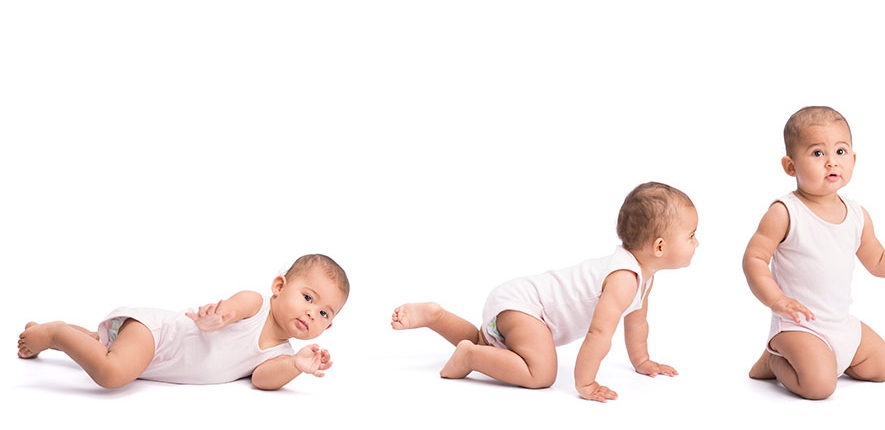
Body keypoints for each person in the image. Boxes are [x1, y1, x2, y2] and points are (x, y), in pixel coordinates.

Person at [391, 181, 698, 403]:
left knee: (490, 343)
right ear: (659, 246)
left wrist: (642, 361)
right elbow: (599, 333)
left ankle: (437, 317)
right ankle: (470, 357)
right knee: (541, 374)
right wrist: (586, 383)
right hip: (526, 308)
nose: (696, 244)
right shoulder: (623, 278)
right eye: (691, 236)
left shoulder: (642, 277)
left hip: (517, 304)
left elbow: (637, 323)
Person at [743, 106, 885, 400]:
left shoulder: (856, 214)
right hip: (798, 325)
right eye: (817, 153)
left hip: (840, 323)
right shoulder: (785, 212)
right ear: (791, 166)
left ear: (853, 159)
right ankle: (776, 359)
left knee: (882, 367)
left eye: (840, 152)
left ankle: (825, 359)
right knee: (819, 387)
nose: (831, 163)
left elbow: (879, 261)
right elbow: (754, 259)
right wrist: (777, 301)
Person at [17, 254, 350, 390]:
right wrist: (215, 320)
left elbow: (262, 380)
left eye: (324, 313)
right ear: (279, 287)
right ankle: (56, 333)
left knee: (101, 344)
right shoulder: (257, 303)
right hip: (158, 337)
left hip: (152, 360)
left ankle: (55, 331)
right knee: (111, 373)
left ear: (328, 327)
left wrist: (295, 364)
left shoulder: (280, 352)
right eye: (308, 298)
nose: (311, 313)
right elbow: (229, 311)